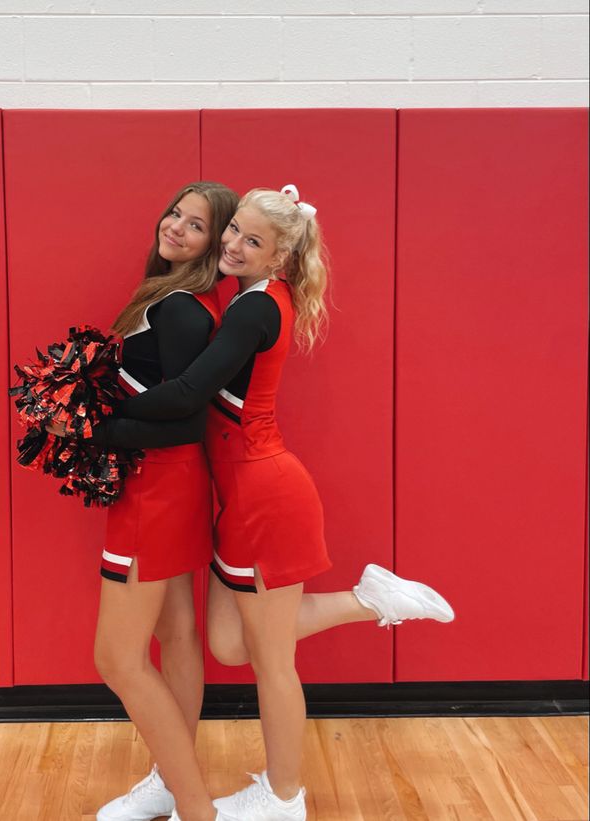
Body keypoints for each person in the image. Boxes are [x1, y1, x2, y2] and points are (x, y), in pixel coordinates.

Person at [110, 185, 454, 821]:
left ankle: (284, 795)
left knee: (271, 661)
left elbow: (188, 392)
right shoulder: (248, 299)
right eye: (234, 231)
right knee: (229, 645)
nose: (235, 245)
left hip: (263, 495)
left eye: (252, 241)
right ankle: (366, 599)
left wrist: (96, 413)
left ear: (281, 258)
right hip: (235, 495)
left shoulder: (254, 309)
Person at [48, 181, 239, 821]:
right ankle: (171, 783)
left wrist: (85, 426)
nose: (177, 228)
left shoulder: (183, 308)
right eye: (175, 214)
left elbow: (187, 416)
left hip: (156, 484)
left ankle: (194, 806)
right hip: (173, 482)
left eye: (197, 225)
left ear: (216, 244)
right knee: (176, 633)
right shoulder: (175, 298)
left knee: (116, 658)